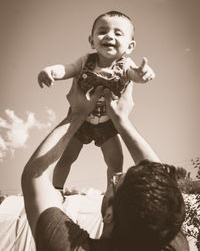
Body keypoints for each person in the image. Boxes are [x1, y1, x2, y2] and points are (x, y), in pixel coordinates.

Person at [21, 81, 189, 251]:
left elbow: (35, 173)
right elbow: (164, 192)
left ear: (109, 215)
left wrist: (77, 114)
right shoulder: (162, 233)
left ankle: (58, 189)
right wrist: (121, 121)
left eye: (115, 182)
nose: (114, 178)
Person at [37, 10, 156, 190]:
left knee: (116, 161)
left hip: (108, 124)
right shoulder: (85, 61)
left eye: (118, 33)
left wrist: (143, 74)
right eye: (102, 31)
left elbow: (135, 75)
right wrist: (51, 71)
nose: (109, 35)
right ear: (92, 41)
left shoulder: (126, 64)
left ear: (130, 46)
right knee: (67, 157)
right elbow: (67, 69)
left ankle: (112, 195)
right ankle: (57, 190)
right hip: (80, 121)